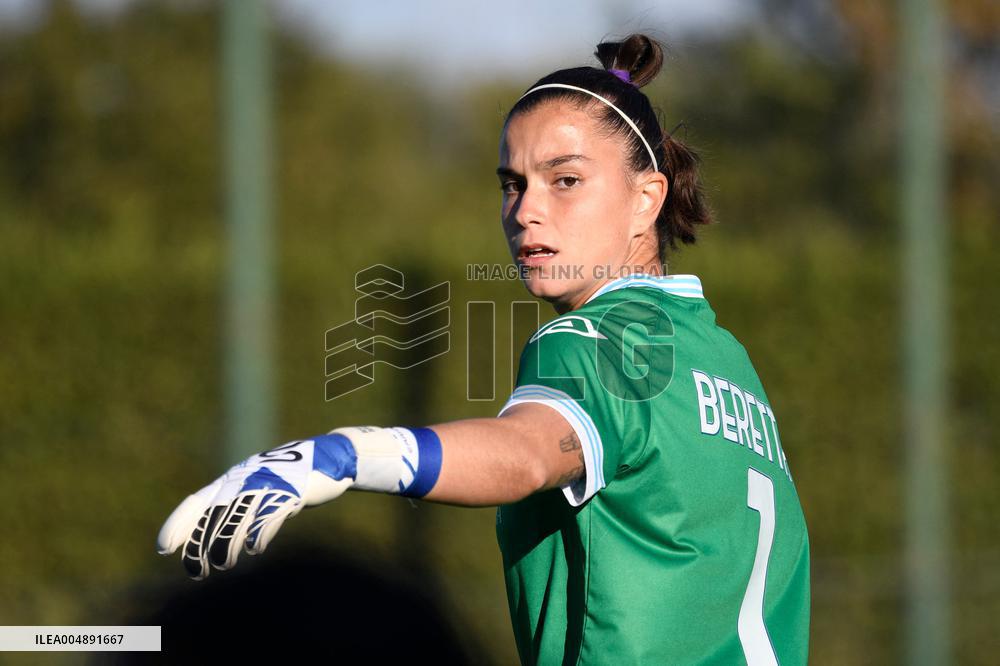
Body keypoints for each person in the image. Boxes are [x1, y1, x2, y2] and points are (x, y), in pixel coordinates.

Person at [158, 33, 810, 665]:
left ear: (647, 199)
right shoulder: (725, 358)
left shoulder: (595, 339)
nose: (525, 209)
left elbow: (527, 453)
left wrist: (344, 454)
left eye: (565, 180)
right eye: (512, 183)